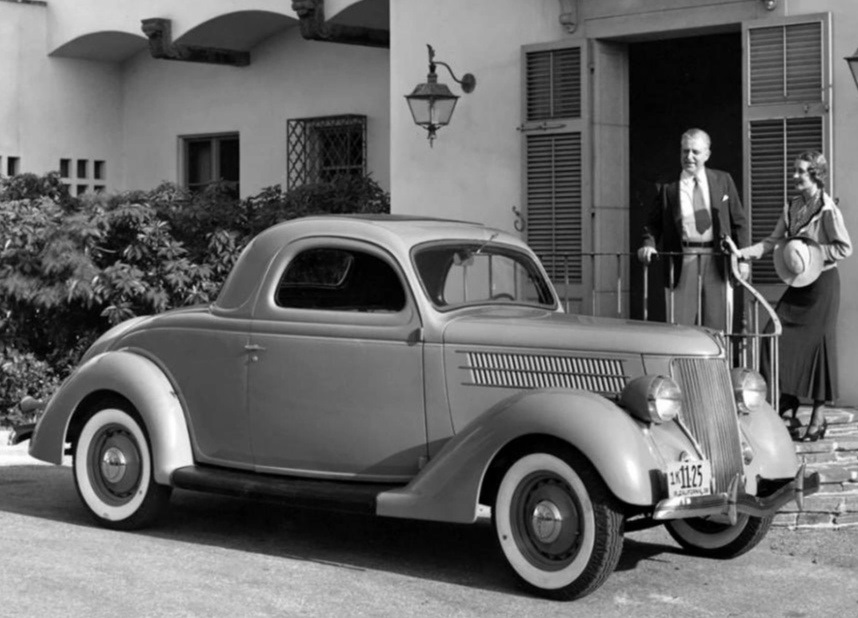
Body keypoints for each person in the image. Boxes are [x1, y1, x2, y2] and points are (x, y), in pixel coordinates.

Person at [739, 151, 852, 441]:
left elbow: (844, 248)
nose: (795, 176)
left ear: (816, 174)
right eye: (795, 170)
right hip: (800, 285)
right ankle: (783, 401)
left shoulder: (828, 209)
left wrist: (811, 251)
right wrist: (744, 253)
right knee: (772, 334)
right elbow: (773, 241)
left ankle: (818, 414)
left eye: (801, 171)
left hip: (823, 284)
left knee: (819, 348)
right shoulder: (792, 206)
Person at [637, 128, 750, 329]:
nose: (689, 157)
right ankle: (680, 361)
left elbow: (738, 222)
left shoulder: (723, 181)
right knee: (680, 324)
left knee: (719, 325)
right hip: (682, 258)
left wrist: (743, 260)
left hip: (718, 258)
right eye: (685, 151)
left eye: (695, 152)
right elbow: (653, 223)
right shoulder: (668, 186)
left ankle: (718, 360)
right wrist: (648, 244)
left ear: (707, 154)